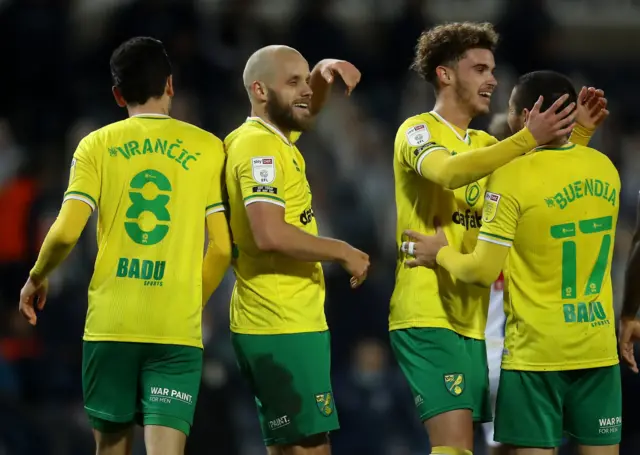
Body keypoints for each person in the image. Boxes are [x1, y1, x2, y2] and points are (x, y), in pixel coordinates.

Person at [390, 22, 607, 455]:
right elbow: (448, 173)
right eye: (479, 68)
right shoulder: (417, 131)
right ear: (445, 75)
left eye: (492, 69)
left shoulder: (489, 144)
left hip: (477, 320)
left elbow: (540, 182)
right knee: (452, 447)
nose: (492, 79)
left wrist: (576, 132)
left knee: (492, 445)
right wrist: (529, 136)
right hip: (427, 311)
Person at [18, 37, 231, 455]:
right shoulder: (209, 148)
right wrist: (192, 300)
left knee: (111, 449)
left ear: (118, 94)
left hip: (112, 326)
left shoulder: (95, 145)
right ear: (170, 85)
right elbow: (222, 248)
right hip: (175, 329)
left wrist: (36, 277)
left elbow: (64, 232)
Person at [225, 45, 369, 455]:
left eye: (305, 79)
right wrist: (340, 249)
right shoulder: (260, 148)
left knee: (292, 447)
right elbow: (269, 232)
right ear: (260, 90)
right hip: (280, 320)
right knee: (310, 448)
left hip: (283, 319)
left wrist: (321, 76)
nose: (304, 90)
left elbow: (305, 111)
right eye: (293, 82)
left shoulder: (272, 137)